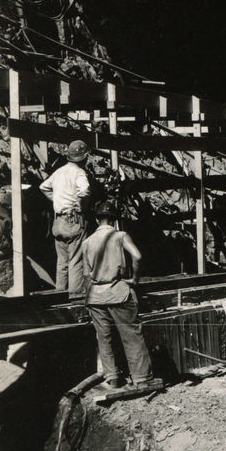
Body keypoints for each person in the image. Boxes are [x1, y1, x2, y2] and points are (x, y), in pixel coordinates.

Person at [81, 200, 160, 391]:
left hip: (95, 296)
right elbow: (137, 256)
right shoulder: (120, 236)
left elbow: (86, 275)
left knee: (104, 338)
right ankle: (142, 378)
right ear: (115, 219)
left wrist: (88, 298)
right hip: (119, 292)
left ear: (97, 219)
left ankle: (113, 378)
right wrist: (134, 279)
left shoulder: (87, 242)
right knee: (131, 335)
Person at [40, 140, 93, 295]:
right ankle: (75, 295)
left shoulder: (59, 172)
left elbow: (43, 187)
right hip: (73, 220)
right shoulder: (79, 172)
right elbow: (85, 190)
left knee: (62, 261)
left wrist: (57, 200)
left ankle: (60, 293)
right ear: (84, 157)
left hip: (58, 221)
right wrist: (80, 206)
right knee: (76, 259)